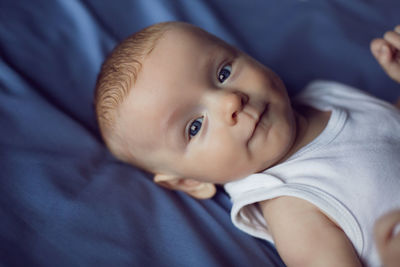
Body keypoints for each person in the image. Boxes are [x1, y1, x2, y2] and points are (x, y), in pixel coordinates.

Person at [94, 21, 400, 266]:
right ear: (188, 181)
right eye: (195, 126)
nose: (230, 101)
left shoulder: (326, 96)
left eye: (224, 73)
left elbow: (387, 132)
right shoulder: (292, 208)